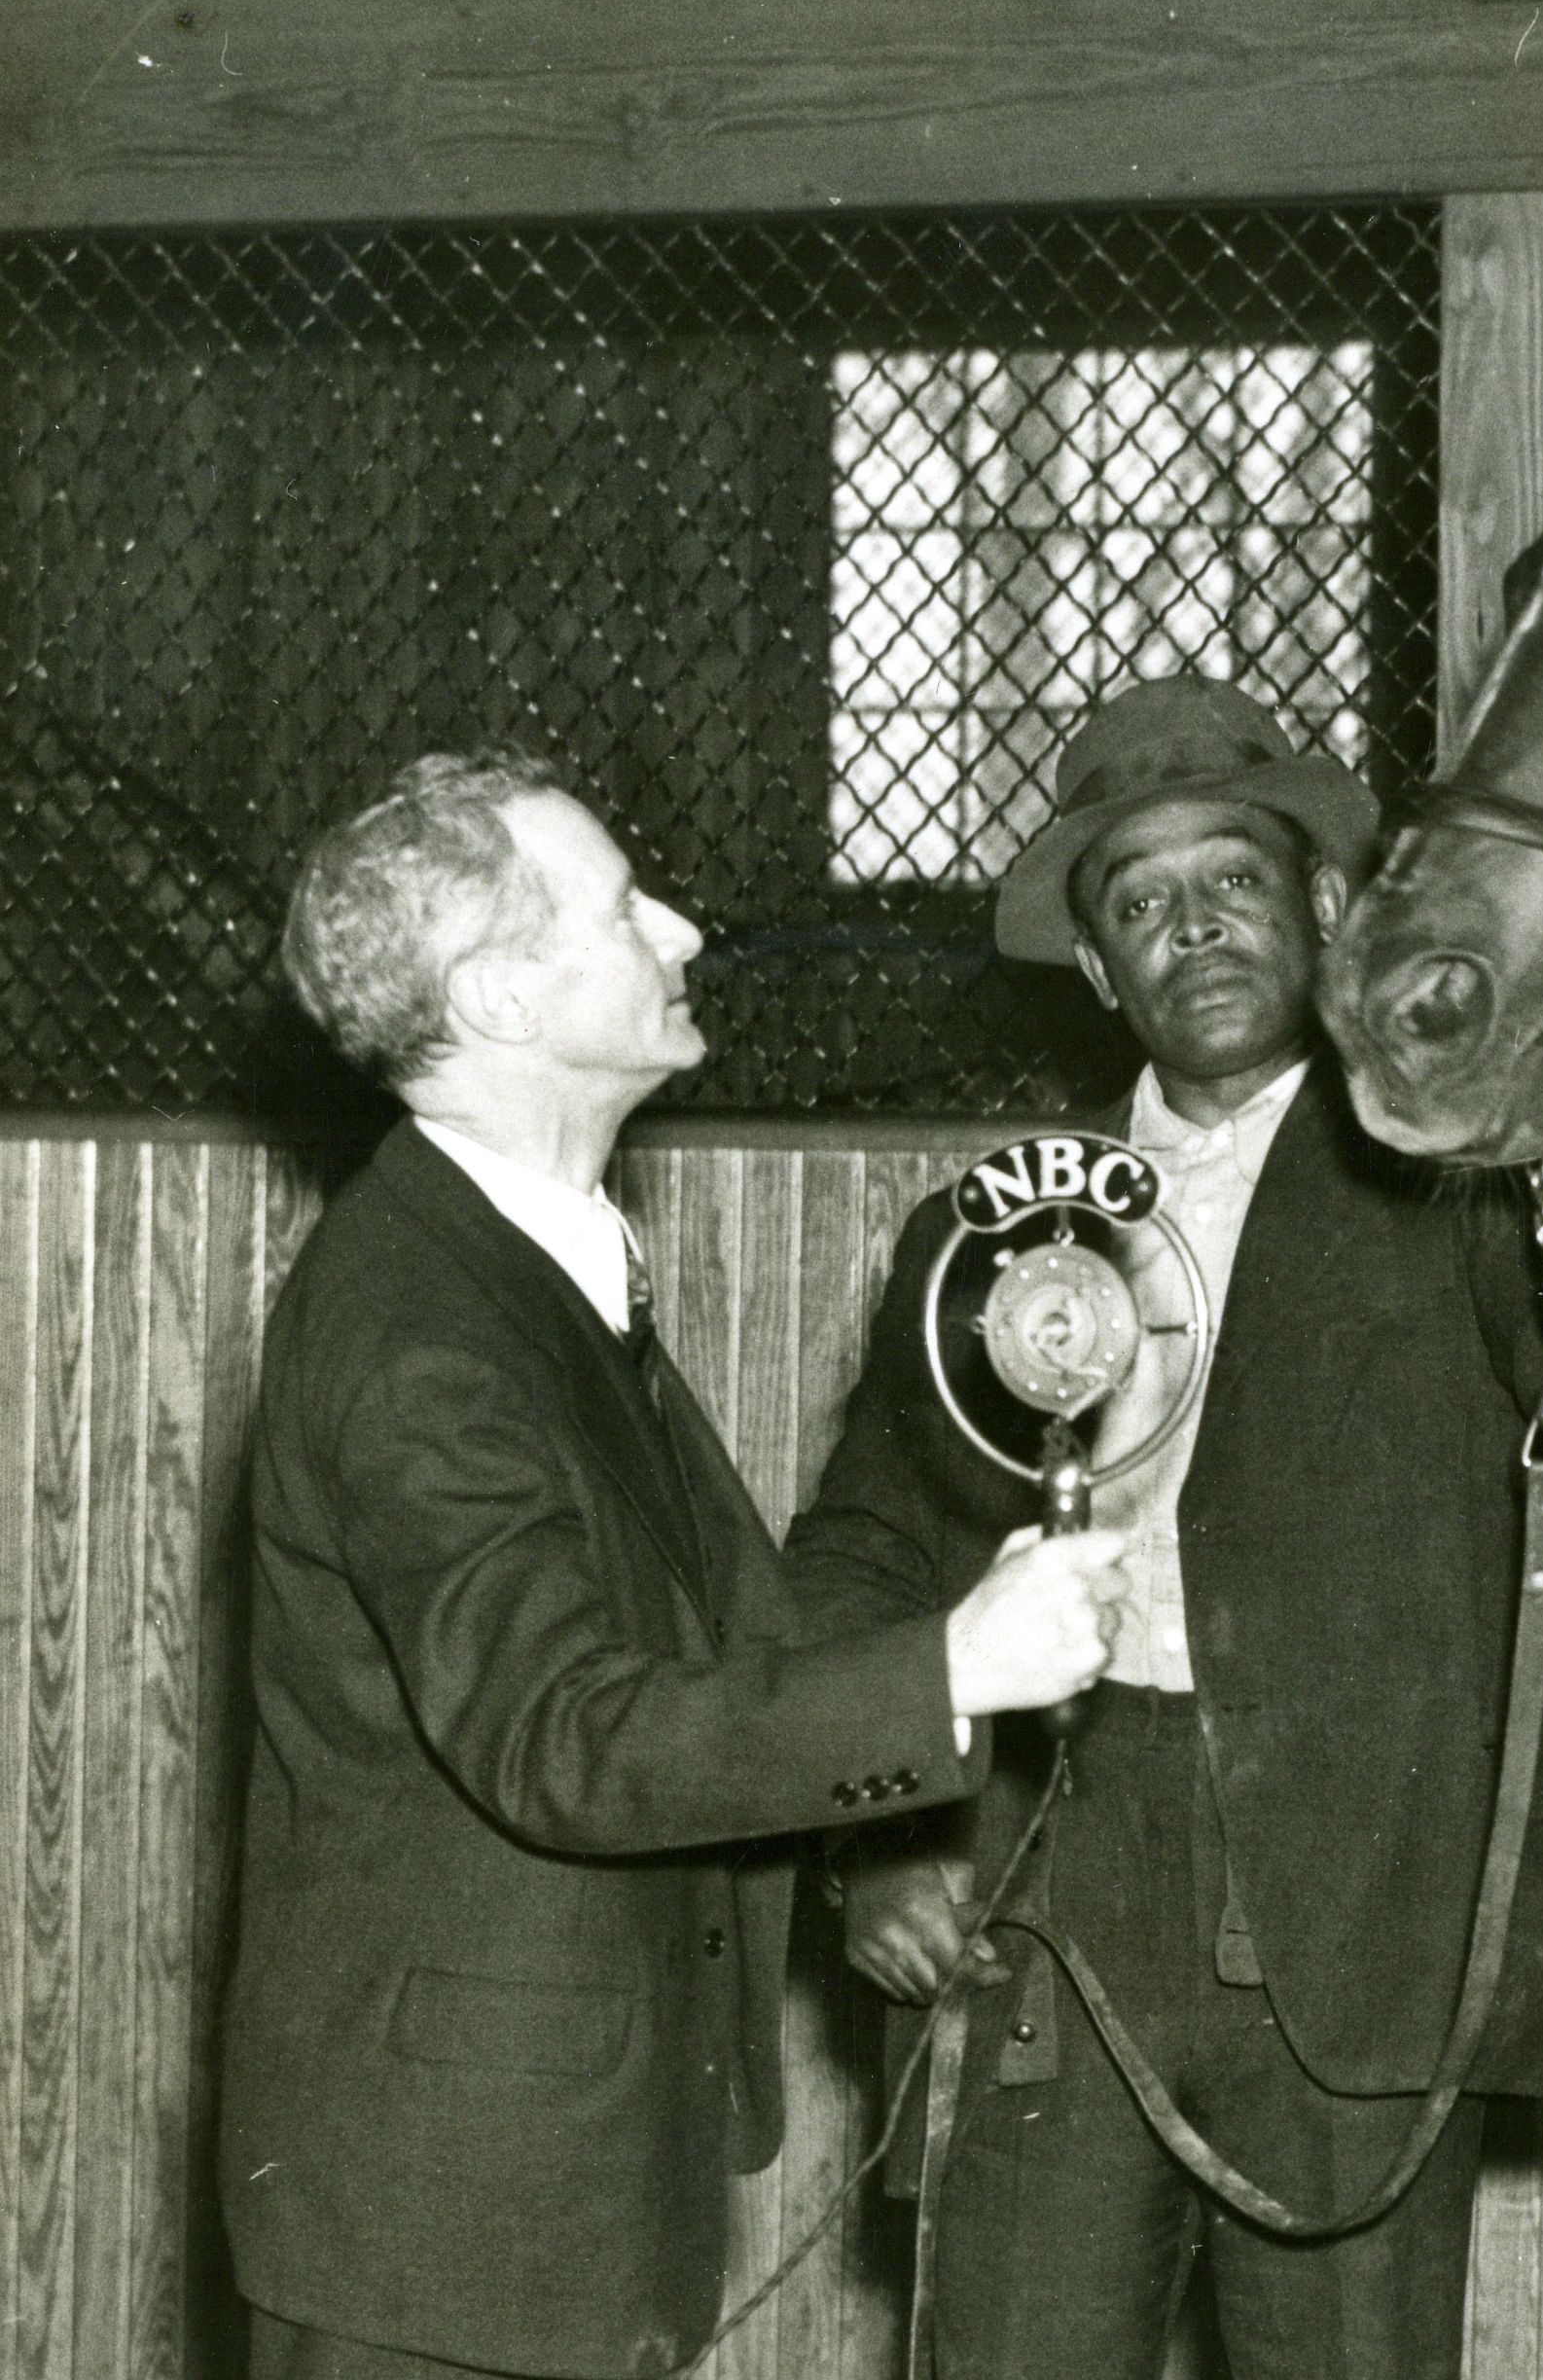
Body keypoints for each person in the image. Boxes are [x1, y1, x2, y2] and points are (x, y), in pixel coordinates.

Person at [785, 675, 1543, 2380]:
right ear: (1098, 972)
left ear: (1321, 906)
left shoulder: (1457, 1174)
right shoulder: (993, 1238)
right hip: (1046, 1904)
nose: (1191, 930)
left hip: (1363, 1911)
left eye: (1229, 880)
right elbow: (860, 1554)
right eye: (1139, 908)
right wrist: (873, 1838)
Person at [220, 749, 1126, 2380]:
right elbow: (569, 1733)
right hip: (446, 2227)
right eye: (625, 906)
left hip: (538, 2189)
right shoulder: (423, 1329)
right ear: (501, 996)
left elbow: (718, 1635)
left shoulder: (530, 1264)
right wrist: (953, 1671)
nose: (687, 929)